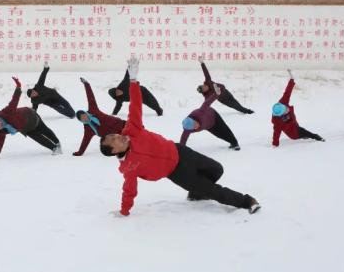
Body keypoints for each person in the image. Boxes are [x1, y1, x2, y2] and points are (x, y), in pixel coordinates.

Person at [99, 58, 260, 216]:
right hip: (176, 172)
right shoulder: (128, 167)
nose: (118, 136)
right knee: (214, 191)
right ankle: (247, 201)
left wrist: (133, 81)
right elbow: (129, 190)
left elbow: (135, 104)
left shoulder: (132, 130)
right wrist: (124, 210)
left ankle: (197, 193)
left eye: (115, 135)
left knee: (217, 169)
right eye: (113, 140)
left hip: (180, 151)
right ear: (114, 151)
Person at [0, 77, 62, 158]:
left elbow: (14, 101)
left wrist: (18, 87)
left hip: (31, 115)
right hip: (25, 127)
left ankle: (57, 143)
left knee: (44, 129)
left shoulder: (5, 113)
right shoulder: (0, 131)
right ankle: (55, 148)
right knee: (39, 138)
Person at [73, 77, 126, 156]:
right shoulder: (88, 129)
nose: (84, 118)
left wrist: (86, 84)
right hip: (116, 137)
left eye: (84, 115)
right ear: (81, 121)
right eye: (82, 119)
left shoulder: (93, 110)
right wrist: (80, 152)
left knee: (138, 130)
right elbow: (85, 140)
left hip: (121, 124)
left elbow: (90, 97)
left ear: (86, 113)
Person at [271, 70, 324, 146]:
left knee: (303, 132)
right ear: (280, 115)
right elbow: (276, 134)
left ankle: (306, 136)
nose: (287, 109)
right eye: (285, 111)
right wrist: (275, 144)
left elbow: (287, 92)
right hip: (293, 133)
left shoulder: (283, 102)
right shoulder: (277, 122)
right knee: (307, 133)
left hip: (295, 125)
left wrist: (291, 80)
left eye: (285, 108)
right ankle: (317, 137)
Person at [180, 84, 241, 150]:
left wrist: (216, 94)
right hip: (208, 125)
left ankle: (235, 143)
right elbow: (183, 140)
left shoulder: (200, 112)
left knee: (225, 130)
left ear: (194, 120)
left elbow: (207, 102)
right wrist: (181, 149)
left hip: (213, 116)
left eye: (195, 123)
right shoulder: (187, 129)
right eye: (194, 127)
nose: (196, 126)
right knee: (219, 135)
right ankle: (231, 142)